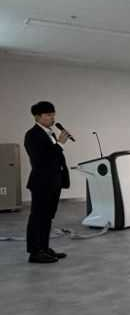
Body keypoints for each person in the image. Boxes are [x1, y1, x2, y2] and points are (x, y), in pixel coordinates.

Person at [24, 101, 71, 264]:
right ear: (37, 117)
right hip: (41, 183)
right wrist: (60, 143)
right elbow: (41, 160)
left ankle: (44, 248)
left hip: (53, 182)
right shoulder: (32, 135)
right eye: (48, 115)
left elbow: (56, 157)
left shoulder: (49, 133)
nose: (52, 118)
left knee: (47, 217)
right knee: (38, 217)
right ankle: (35, 252)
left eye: (53, 114)